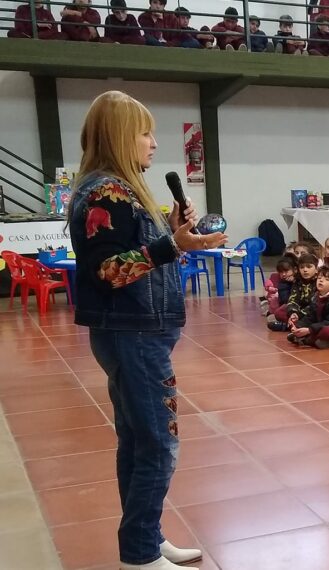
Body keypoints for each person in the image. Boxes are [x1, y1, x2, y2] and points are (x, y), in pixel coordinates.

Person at [69, 91, 226, 569]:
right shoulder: (105, 193)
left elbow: (139, 255)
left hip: (137, 331)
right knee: (159, 442)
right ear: (119, 135)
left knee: (138, 440)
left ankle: (147, 536)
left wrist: (173, 237)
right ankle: (139, 555)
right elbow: (109, 270)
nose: (154, 143)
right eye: (144, 132)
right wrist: (169, 245)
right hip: (132, 334)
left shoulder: (121, 188)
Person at [288, 267, 329, 348]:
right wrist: (298, 326)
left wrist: (310, 330)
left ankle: (306, 340)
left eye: (326, 279)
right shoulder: (316, 297)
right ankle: (317, 340)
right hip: (320, 326)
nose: (321, 280)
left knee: (327, 330)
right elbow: (310, 317)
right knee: (301, 325)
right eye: (319, 278)